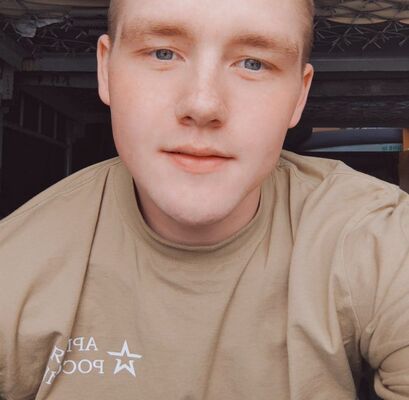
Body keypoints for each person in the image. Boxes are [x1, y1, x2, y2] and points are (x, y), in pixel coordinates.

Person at [1, 0, 408, 398]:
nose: (202, 104)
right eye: (163, 53)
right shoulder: (14, 265)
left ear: (299, 97)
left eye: (253, 63)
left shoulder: (378, 239)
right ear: (105, 71)